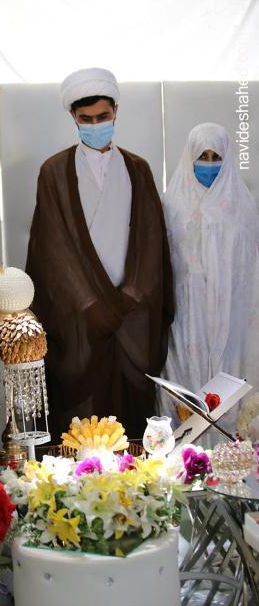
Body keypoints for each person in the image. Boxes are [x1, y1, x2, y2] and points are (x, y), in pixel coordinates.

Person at [26, 67, 174, 441]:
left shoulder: (138, 169)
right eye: (86, 119)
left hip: (132, 318)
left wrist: (130, 296)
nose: (96, 125)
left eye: (103, 117)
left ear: (116, 112)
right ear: (73, 117)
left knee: (132, 428)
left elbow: (151, 240)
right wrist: (91, 306)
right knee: (80, 430)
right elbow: (53, 249)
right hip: (80, 322)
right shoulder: (54, 172)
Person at [162, 122, 259, 426]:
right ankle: (186, 451)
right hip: (186, 315)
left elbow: (250, 269)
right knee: (186, 387)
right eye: (202, 156)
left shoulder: (242, 206)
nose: (209, 163)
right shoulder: (172, 204)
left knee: (229, 388)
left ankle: (231, 452)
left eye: (216, 157)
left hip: (232, 314)